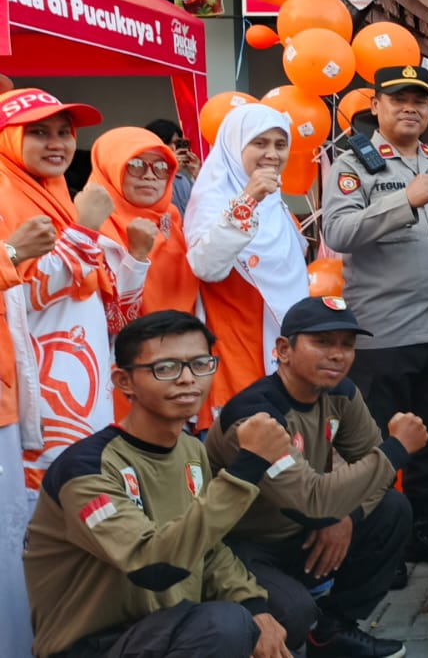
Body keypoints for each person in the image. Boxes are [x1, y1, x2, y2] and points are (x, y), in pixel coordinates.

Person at [23, 310, 293, 658]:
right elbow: (153, 567)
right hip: (94, 645)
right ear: (123, 382)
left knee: (283, 611)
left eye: (200, 364)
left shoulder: (191, 449)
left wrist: (254, 605)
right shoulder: (86, 468)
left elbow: (207, 547)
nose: (187, 379)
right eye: (165, 368)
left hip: (167, 626)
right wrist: (248, 467)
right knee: (224, 624)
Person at [323, 63, 428, 567]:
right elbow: (338, 232)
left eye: (419, 99)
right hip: (384, 333)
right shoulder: (351, 164)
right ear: (375, 106)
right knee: (373, 443)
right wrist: (404, 203)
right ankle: (379, 547)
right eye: (398, 99)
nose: (411, 108)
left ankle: (423, 530)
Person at [206, 297, 424, 658]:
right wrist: (397, 447)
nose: (338, 355)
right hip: (242, 548)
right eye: (322, 342)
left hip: (301, 534)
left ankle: (334, 631)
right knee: (293, 615)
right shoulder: (256, 415)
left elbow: (378, 478)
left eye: (347, 345)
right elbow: (312, 498)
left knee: (392, 507)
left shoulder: (340, 393)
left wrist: (347, 517)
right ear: (283, 350)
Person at [0, 88, 151, 492]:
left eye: (64, 132)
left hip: (86, 385)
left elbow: (114, 315)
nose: (57, 143)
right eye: (39, 132)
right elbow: (22, 299)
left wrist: (136, 259)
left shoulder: (61, 197)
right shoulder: (5, 195)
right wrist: (83, 231)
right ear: (8, 137)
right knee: (49, 511)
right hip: (42, 394)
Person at [185, 103, 310, 429]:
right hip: (235, 345)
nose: (271, 154)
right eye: (259, 143)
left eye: (280, 145)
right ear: (234, 146)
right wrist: (248, 200)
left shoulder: (277, 205)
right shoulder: (212, 198)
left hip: (285, 350)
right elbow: (206, 266)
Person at [0, 209, 58, 657]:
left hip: (8, 404)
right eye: (39, 131)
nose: (56, 144)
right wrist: (12, 253)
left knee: (8, 542)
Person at [87, 127, 200, 315]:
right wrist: (136, 256)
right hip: (127, 341)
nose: (150, 175)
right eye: (136, 165)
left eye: (162, 167)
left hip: (187, 336)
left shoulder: (171, 218)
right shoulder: (91, 226)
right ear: (110, 168)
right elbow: (111, 317)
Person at [144, 118, 201, 215]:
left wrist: (198, 176)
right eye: (167, 143)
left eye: (177, 143)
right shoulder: (145, 176)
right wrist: (169, 171)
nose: (173, 148)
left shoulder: (182, 180)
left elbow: (199, 209)